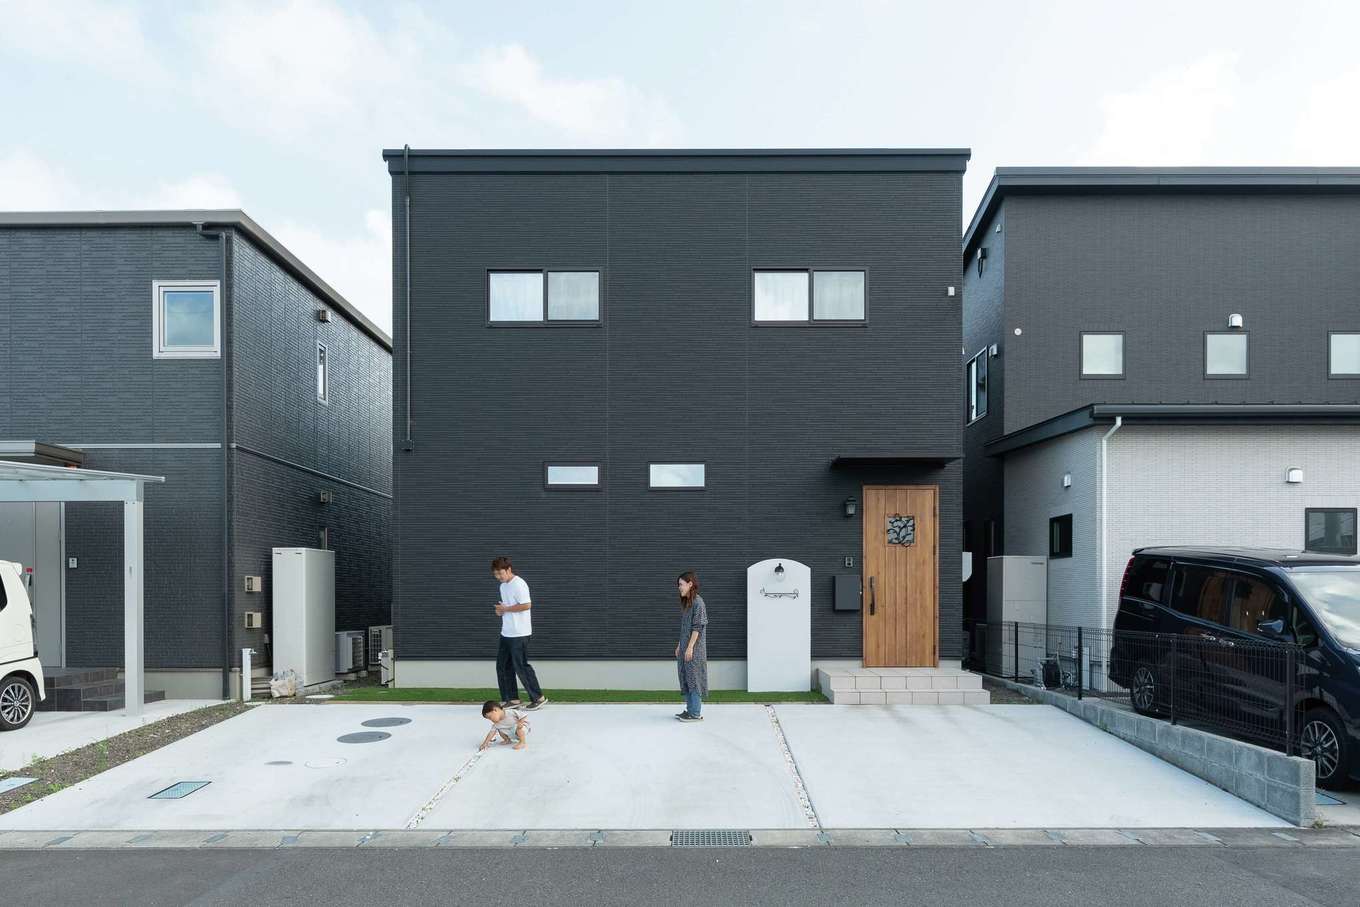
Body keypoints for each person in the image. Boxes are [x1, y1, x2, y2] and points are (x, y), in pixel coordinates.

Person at [491, 556, 547, 710]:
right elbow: (507, 608)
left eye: (500, 573)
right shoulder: (503, 587)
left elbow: (527, 605)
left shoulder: (519, 584)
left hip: (520, 633)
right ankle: (512, 699)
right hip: (506, 632)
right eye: (495, 574)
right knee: (502, 666)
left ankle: (538, 698)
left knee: (521, 666)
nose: (498, 577)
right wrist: (501, 611)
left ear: (508, 569)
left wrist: (506, 609)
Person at [674, 571, 708, 722]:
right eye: (678, 585)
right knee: (686, 678)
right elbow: (685, 628)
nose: (679, 587)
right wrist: (680, 645)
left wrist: (689, 648)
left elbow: (697, 627)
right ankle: (689, 710)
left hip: (694, 650)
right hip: (685, 648)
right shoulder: (687, 604)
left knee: (694, 679)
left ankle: (695, 713)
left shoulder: (698, 603)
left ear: (690, 584)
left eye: (681, 584)